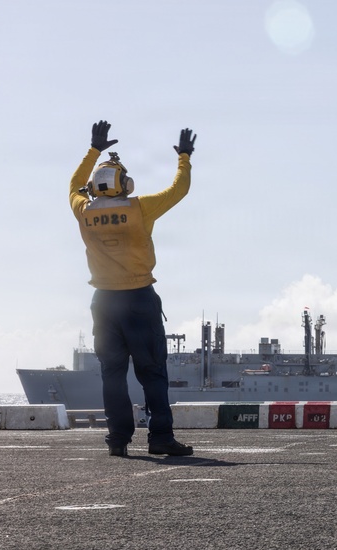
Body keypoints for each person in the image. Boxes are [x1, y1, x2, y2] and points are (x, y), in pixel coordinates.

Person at [69, 120, 197, 457]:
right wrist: (184, 156)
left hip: (103, 302)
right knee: (152, 373)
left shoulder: (83, 210)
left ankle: (118, 440)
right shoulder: (139, 208)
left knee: (112, 375)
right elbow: (179, 189)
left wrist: (94, 150)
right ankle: (160, 438)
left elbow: (73, 185)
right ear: (124, 184)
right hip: (139, 298)